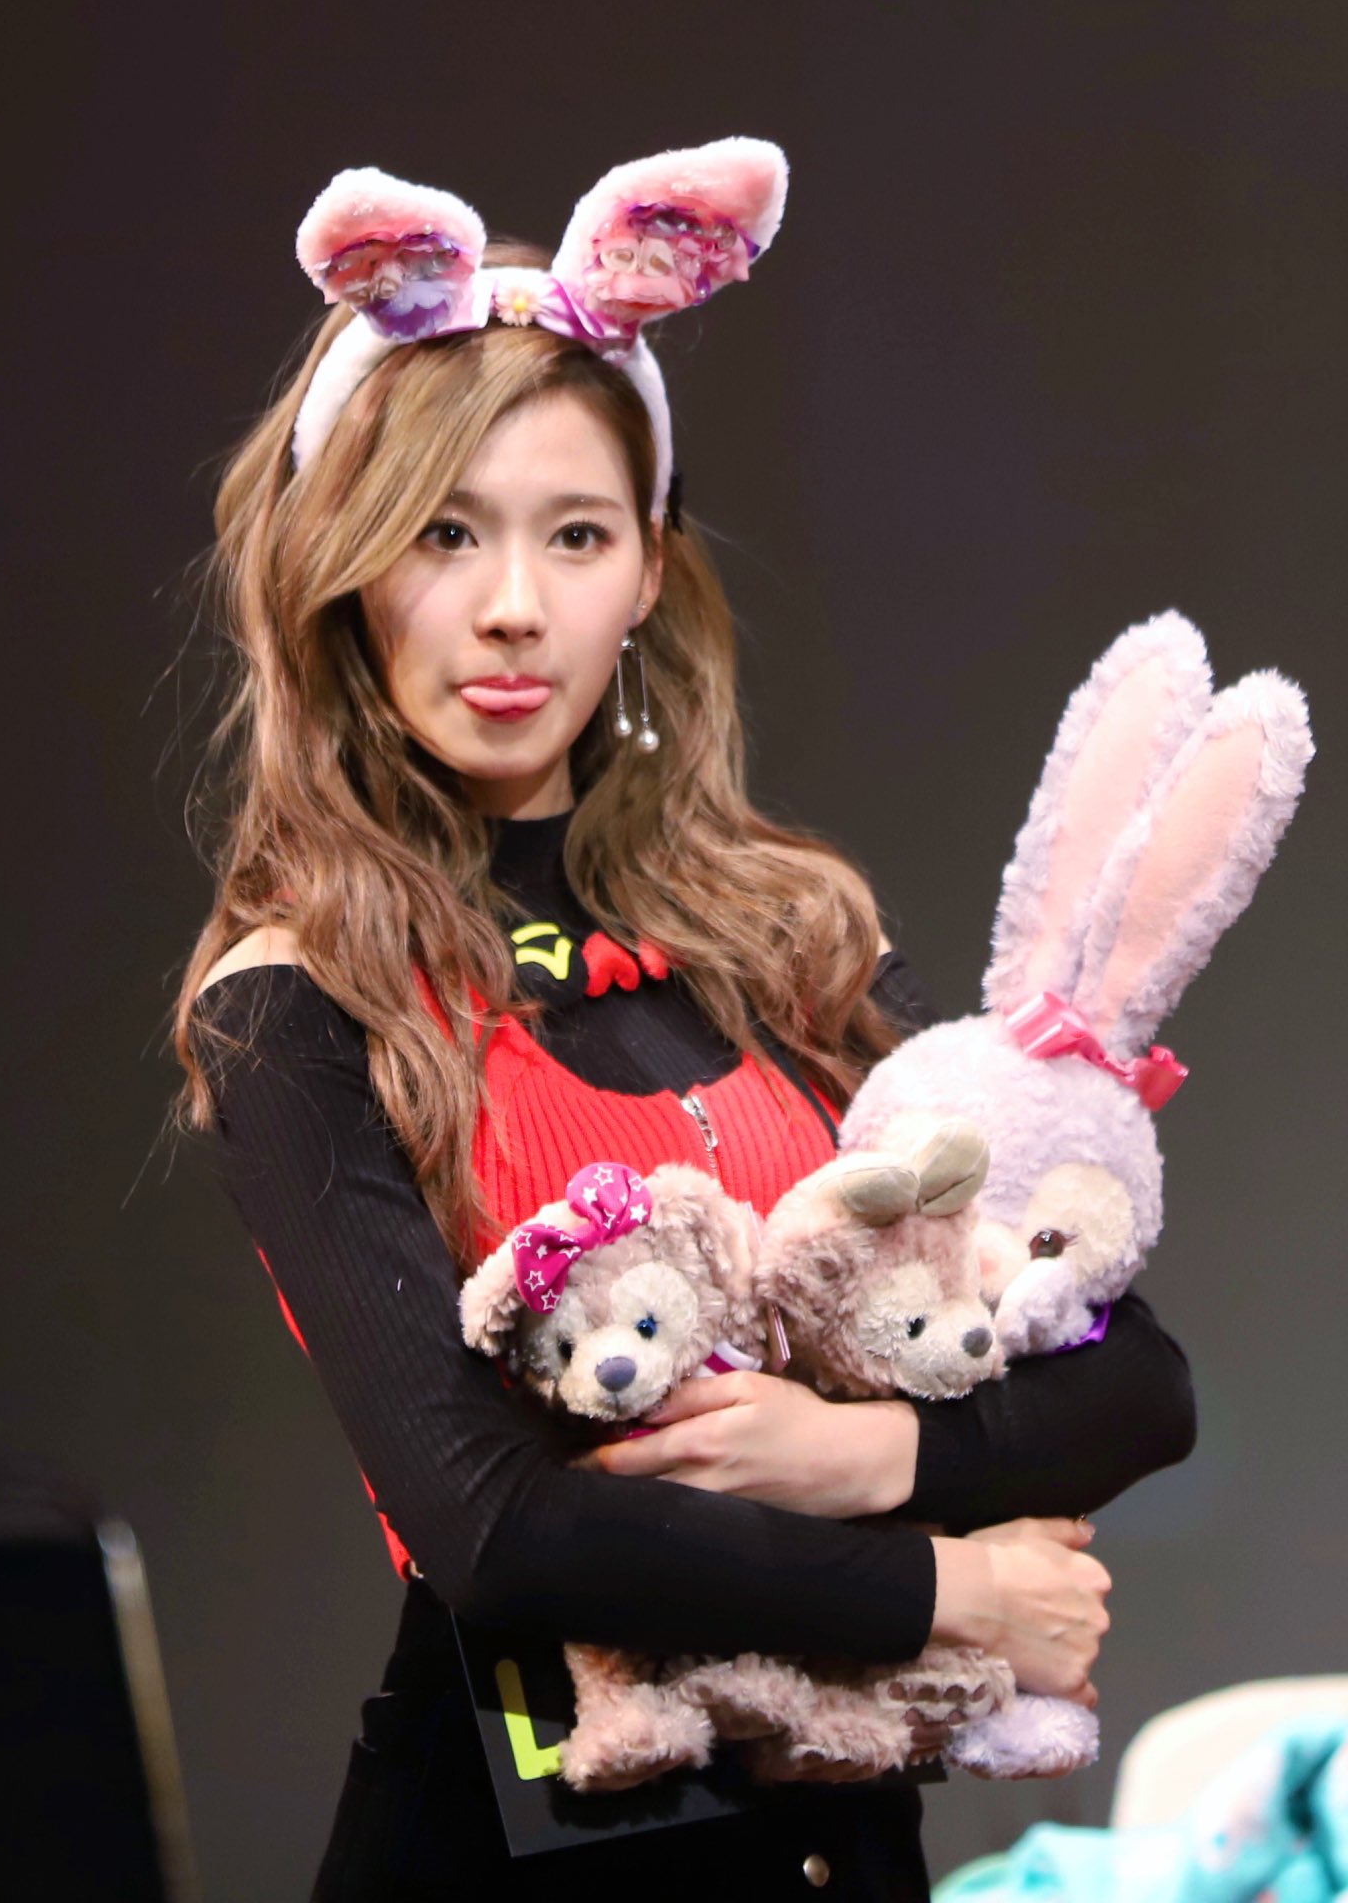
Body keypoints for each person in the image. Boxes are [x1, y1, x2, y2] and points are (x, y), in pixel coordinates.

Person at [173, 145, 1197, 1901]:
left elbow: (1138, 1379)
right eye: (443, 532)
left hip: (837, 1837)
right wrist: (952, 1587)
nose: (513, 605)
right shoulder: (295, 999)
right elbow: (497, 1529)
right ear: (342, 564)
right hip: (526, 1847)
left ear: (645, 573)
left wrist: (860, 1454)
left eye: (575, 535)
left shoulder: (783, 939)